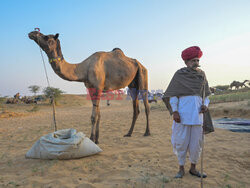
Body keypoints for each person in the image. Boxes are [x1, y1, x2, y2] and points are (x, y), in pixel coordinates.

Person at [162, 46, 211, 178]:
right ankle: (181, 168)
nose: (196, 62)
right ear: (186, 62)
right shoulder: (179, 75)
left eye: (197, 60)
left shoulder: (202, 75)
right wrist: (175, 112)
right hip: (182, 117)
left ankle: (193, 169)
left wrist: (205, 105)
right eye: (193, 60)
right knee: (181, 143)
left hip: (198, 117)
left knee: (196, 145)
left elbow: (206, 96)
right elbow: (173, 96)